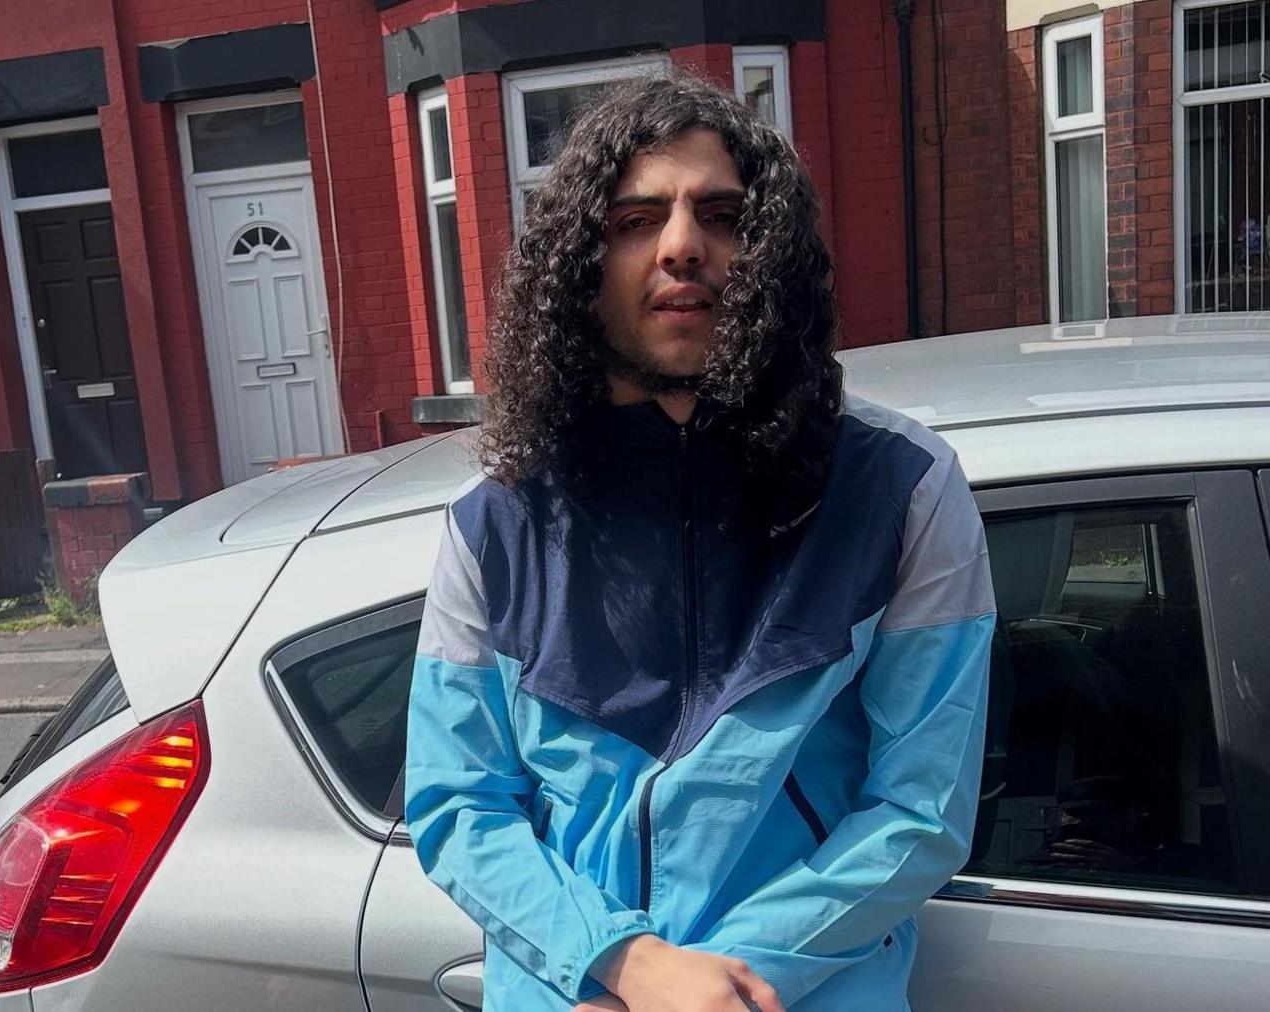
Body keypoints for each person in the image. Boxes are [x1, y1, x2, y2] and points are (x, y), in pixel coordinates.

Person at [404, 71, 994, 1012]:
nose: (683, 246)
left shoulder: (904, 488)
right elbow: (458, 806)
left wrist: (729, 984)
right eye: (637, 220)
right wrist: (628, 966)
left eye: (720, 215)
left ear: (770, 255)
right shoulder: (496, 521)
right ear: (578, 269)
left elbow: (920, 812)